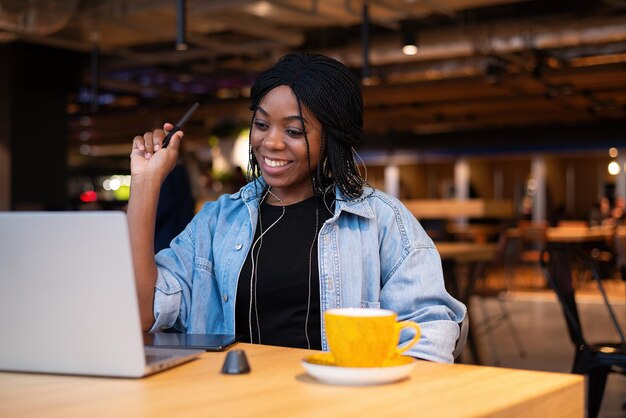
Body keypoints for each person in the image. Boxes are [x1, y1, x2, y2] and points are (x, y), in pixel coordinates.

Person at [128, 53, 466, 363]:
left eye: (293, 130)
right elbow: (142, 312)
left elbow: (428, 339)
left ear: (332, 136)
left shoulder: (382, 221)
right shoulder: (217, 222)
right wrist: (145, 183)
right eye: (261, 125)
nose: (271, 142)